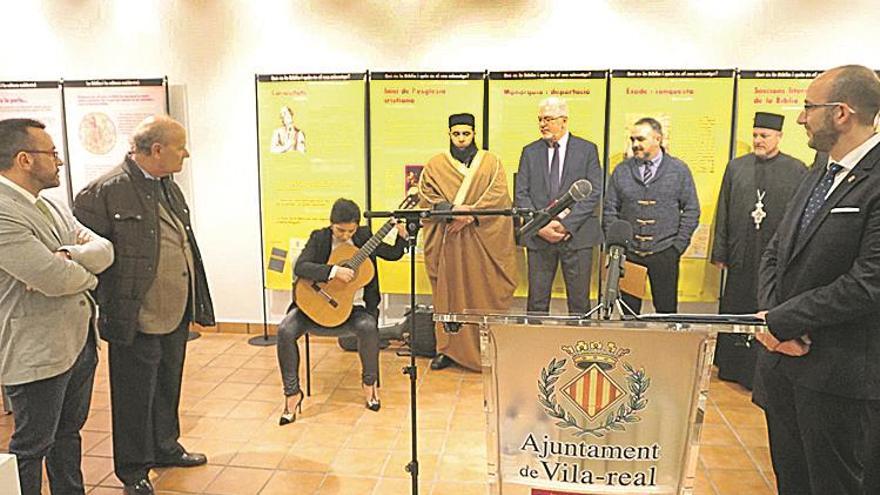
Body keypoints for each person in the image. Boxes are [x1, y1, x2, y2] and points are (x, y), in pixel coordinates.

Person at [752, 65, 880, 495]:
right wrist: (772, 323)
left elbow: (869, 282)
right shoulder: (820, 168)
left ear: (840, 112)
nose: (802, 118)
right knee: (792, 482)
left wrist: (782, 321)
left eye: (809, 107)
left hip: (838, 377)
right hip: (783, 366)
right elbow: (777, 248)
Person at [74, 115, 215, 495]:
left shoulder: (168, 186)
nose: (186, 153)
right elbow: (91, 261)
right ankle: (133, 468)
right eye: (180, 146)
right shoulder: (102, 192)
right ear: (156, 150)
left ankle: (165, 446)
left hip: (174, 311)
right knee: (134, 394)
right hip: (135, 316)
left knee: (168, 383)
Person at [0, 118, 113, 495]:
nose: (60, 161)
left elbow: (104, 249)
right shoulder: (3, 212)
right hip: (36, 352)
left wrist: (72, 255)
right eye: (51, 153)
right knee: (31, 447)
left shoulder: (52, 206)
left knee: (68, 435)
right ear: (24, 159)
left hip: (77, 341)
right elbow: (53, 277)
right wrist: (90, 277)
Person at [277, 198, 406, 419]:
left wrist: (403, 237)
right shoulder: (320, 238)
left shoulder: (364, 238)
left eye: (350, 230)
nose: (345, 235)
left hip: (353, 310)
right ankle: (292, 393)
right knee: (285, 330)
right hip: (314, 308)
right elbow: (301, 266)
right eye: (340, 230)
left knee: (368, 327)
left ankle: (369, 385)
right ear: (331, 224)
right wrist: (333, 271)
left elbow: (392, 254)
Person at [711, 112, 807, 390]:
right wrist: (720, 252)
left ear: (778, 137)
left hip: (774, 258)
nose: (758, 140)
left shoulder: (797, 169)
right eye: (755, 135)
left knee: (765, 308)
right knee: (736, 309)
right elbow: (724, 209)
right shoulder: (737, 167)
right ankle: (731, 367)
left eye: (764, 136)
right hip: (741, 255)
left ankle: (758, 370)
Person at [420, 113, 517, 371]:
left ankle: (488, 349)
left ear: (474, 134)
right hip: (448, 242)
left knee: (483, 293)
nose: (461, 139)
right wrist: (453, 210)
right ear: (449, 134)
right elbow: (427, 197)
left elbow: (499, 198)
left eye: (466, 134)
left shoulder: (491, 163)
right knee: (448, 297)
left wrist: (469, 214)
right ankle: (447, 349)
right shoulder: (435, 165)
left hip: (481, 243)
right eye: (456, 134)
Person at [514, 97, 603, 315]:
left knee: (580, 302)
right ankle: (534, 346)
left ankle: (580, 346)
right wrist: (540, 226)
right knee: (536, 302)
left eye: (548, 119)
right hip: (539, 236)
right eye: (540, 119)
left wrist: (566, 225)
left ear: (563, 121)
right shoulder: (530, 152)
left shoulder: (587, 150)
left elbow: (593, 192)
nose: (543, 124)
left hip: (577, 235)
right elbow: (521, 194)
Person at [603, 117, 700, 314]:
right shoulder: (622, 171)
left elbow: (691, 210)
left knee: (666, 313)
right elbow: (609, 209)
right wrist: (618, 246)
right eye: (632, 140)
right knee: (628, 314)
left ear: (658, 139)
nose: (635, 145)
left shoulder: (678, 170)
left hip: (665, 252)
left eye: (640, 139)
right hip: (629, 255)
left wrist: (677, 247)